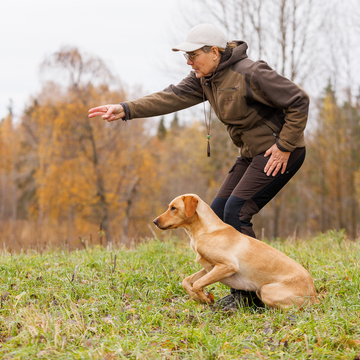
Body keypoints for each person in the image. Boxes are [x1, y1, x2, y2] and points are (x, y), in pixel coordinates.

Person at [88, 23, 309, 310]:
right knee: (216, 213)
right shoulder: (204, 78)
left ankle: (248, 298)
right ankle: (239, 285)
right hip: (251, 154)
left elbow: (298, 100)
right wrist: (125, 109)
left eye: (193, 56)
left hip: (280, 151)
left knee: (237, 212)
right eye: (186, 57)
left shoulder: (251, 73)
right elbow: (170, 97)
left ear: (215, 52)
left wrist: (284, 145)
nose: (189, 62)